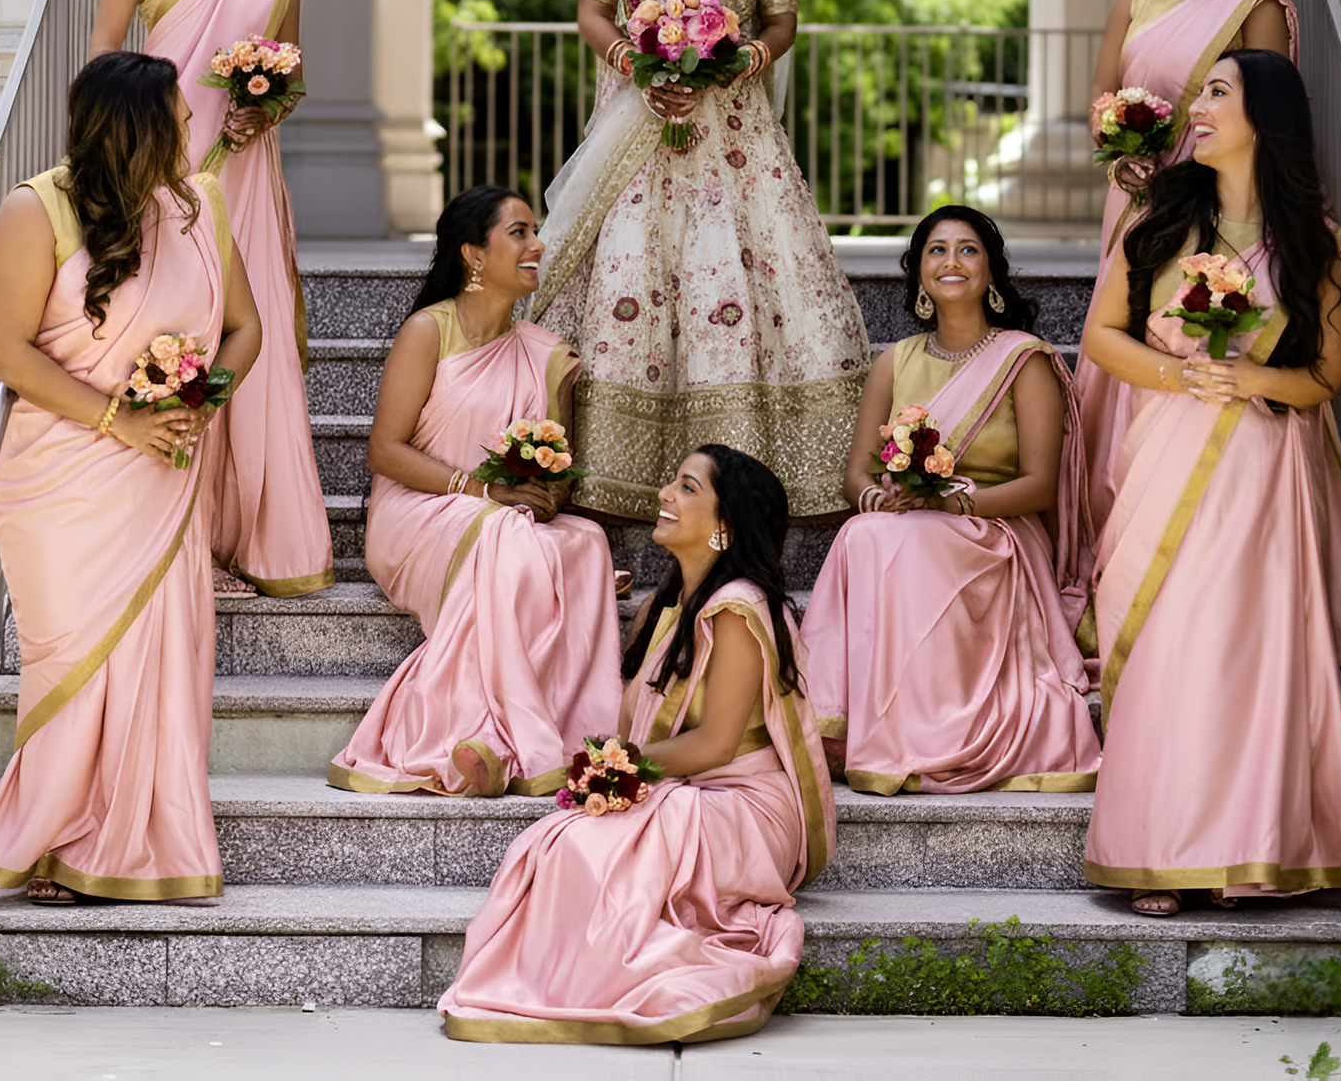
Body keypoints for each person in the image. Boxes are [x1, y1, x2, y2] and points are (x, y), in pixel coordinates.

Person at [1082, 49, 1341, 911]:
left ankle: (1246, 851)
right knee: (1167, 645)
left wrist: (1252, 379)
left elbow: (1321, 381)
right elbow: (1104, 338)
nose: (1198, 107)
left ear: (1265, 114)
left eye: (1217, 93)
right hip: (1166, 449)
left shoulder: (1322, 246)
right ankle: (1154, 849)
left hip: (1264, 472)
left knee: (1243, 655)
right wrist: (1178, 375)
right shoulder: (1158, 218)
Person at [534, 0, 869, 522]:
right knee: (632, 271)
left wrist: (736, 59)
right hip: (638, 117)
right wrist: (636, 60)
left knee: (736, 270)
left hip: (734, 128)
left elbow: (781, 17)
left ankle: (750, 469)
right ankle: (616, 469)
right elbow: (592, 6)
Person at [0, 52, 263, 902]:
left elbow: (244, 328)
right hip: (63, 478)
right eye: (175, 115)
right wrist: (117, 419)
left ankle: (133, 841)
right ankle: (52, 840)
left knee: (157, 659)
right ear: (138, 126)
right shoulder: (38, 209)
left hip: (164, 469)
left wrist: (204, 399)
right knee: (76, 661)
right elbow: (5, 349)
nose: (188, 128)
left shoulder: (200, 205)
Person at [440, 443, 834, 1044]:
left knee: (587, 838)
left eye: (687, 487)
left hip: (743, 806)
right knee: (560, 836)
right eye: (672, 483)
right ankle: (552, 981)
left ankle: (588, 983)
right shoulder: (668, 605)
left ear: (725, 524)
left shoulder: (737, 609)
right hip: (684, 786)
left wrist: (618, 768)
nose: (665, 496)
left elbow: (716, 745)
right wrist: (612, 768)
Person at [88, 0, 331, 596]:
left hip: (247, 173)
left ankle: (246, 541)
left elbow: (290, 73)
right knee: (174, 336)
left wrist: (265, 111)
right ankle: (175, 538)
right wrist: (122, 152)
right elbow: (103, 51)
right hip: (164, 166)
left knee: (246, 339)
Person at [328, 187, 621, 797]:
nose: (537, 245)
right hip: (419, 512)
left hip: (501, 515)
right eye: (518, 233)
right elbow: (385, 451)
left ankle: (550, 734)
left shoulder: (547, 356)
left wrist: (547, 497)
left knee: (587, 540)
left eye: (533, 232)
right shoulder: (427, 332)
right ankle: (473, 732)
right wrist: (482, 491)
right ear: (473, 254)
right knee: (504, 534)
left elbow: (557, 472)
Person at [803, 206, 1100, 796]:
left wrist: (951, 504)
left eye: (968, 249)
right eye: (937, 250)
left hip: (996, 528)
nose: (952, 262)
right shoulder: (896, 361)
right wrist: (875, 498)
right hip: (911, 522)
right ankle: (868, 726)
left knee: (903, 540)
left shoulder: (1025, 359)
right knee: (864, 532)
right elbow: (856, 472)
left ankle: (933, 730)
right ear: (918, 274)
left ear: (991, 272)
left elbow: (1040, 485)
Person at [1076, 0, 1297, 526]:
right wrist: (1116, 152)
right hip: (1134, 191)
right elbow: (1100, 92)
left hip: (1208, 198)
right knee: (1115, 329)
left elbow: (1266, 111)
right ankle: (1105, 514)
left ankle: (1176, 509)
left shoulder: (1254, 3)